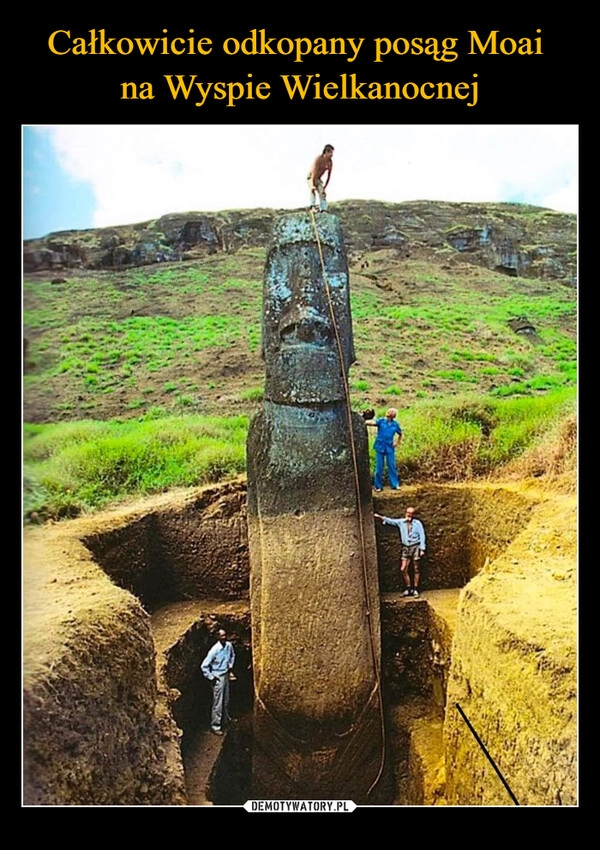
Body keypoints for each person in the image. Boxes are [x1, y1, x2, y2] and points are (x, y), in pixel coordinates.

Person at [373, 506, 426, 597]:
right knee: (403, 568)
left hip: (415, 547)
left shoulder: (418, 523)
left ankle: (415, 589)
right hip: (406, 547)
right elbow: (391, 521)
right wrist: (379, 517)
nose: (409, 514)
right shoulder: (401, 522)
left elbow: (422, 535)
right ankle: (408, 588)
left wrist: (422, 549)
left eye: (411, 513)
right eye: (408, 512)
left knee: (416, 568)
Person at [201, 628, 236, 735]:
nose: (224, 637)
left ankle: (225, 720)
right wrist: (211, 677)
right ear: (217, 637)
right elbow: (204, 666)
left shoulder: (229, 646)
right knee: (218, 702)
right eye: (222, 636)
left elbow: (232, 655)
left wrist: (230, 666)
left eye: (225, 635)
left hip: (225, 675)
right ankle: (215, 726)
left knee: (226, 699)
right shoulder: (214, 650)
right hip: (217, 677)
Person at [365, 407, 403, 491]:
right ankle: (378, 486)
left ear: (393, 415)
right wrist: (363, 421)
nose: (389, 413)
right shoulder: (381, 421)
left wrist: (397, 442)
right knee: (379, 467)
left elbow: (400, 434)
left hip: (389, 447)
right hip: (380, 446)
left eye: (391, 412)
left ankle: (395, 484)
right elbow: (373, 423)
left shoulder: (395, 424)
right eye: (389, 411)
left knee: (391, 466)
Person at [307, 144, 334, 212]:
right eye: (330, 152)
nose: (332, 154)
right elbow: (314, 172)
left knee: (322, 193)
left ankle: (324, 209)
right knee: (313, 190)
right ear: (326, 152)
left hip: (318, 178)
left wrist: (324, 188)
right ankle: (312, 206)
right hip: (311, 177)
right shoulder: (319, 159)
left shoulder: (330, 162)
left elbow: (329, 176)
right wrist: (312, 185)